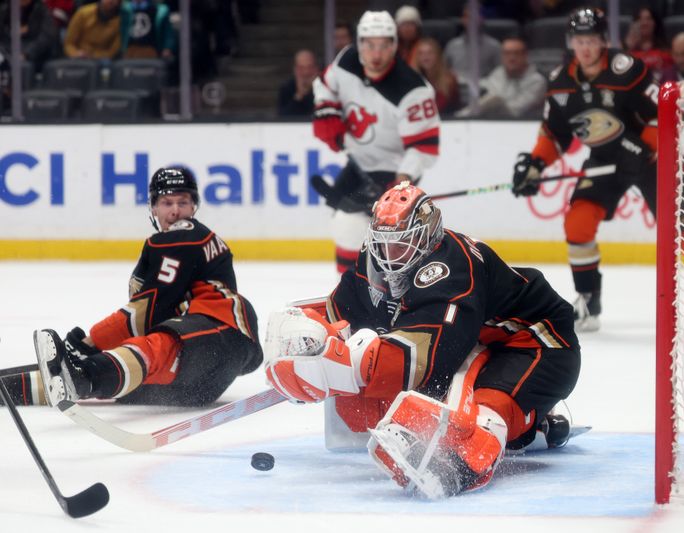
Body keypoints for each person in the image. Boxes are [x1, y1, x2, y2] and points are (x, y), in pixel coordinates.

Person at [263, 182, 581, 499]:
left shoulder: (450, 267)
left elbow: (427, 360)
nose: (389, 257)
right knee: (385, 396)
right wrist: (307, 337)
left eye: (400, 245)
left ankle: (464, 463)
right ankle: (533, 428)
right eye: (383, 245)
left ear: (427, 238)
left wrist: (337, 369)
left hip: (538, 342)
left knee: (484, 410)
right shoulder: (372, 256)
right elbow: (343, 315)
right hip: (478, 342)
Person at [24, 167, 263, 408]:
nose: (176, 210)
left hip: (219, 334)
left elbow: (148, 311)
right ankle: (16, 390)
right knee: (130, 374)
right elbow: (158, 312)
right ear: (153, 207)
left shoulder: (182, 237)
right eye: (167, 202)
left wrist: (89, 344)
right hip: (202, 379)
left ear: (194, 207)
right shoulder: (198, 240)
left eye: (183, 202)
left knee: (150, 349)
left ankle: (85, 378)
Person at [510, 7, 660, 333]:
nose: (586, 47)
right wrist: (536, 165)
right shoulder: (560, 83)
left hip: (653, 162)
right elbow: (555, 135)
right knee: (577, 224)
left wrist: (647, 148)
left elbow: (660, 115)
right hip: (606, 163)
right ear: (571, 43)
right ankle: (588, 302)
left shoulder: (628, 70)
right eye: (580, 41)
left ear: (604, 40)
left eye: (592, 40)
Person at [312, 10, 440, 273]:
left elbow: (424, 147)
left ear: (395, 45)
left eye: (384, 45)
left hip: (394, 171)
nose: (376, 54)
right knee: (345, 226)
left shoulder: (413, 89)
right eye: (370, 45)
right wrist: (327, 111)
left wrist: (401, 182)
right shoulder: (347, 60)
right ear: (359, 44)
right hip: (358, 162)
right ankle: (348, 293)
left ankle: (393, 296)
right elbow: (324, 85)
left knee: (392, 241)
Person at [455, 36, 546, 119]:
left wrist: (493, 102)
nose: (512, 58)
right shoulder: (499, 73)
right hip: (492, 123)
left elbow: (514, 111)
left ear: (525, 55)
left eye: (516, 53)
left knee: (494, 100)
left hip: (525, 126)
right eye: (507, 53)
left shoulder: (537, 81)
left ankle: (460, 118)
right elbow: (484, 84)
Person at [443, 5, 501, 82]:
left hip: (484, 88)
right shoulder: (452, 45)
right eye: (467, 17)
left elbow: (501, 73)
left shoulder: (494, 46)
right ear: (462, 20)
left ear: (481, 18)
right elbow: (443, 71)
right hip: (457, 88)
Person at [0, 0, 58, 72]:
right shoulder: (4, 9)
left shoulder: (41, 9)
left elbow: (47, 36)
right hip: (8, 52)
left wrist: (26, 54)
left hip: (35, 55)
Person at [624, 6, 673, 83]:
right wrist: (628, 47)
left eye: (648, 19)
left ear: (655, 23)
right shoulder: (627, 50)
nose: (644, 23)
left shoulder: (666, 50)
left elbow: (672, 75)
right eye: (640, 19)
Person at [415, 36, 460, 116]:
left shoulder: (449, 80)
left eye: (430, 53)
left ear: (437, 55)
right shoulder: (411, 80)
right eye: (421, 53)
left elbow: (456, 108)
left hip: (447, 122)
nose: (425, 57)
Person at [277, 49, 318, 117]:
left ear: (316, 68)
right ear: (295, 69)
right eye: (301, 68)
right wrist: (299, 96)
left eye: (310, 67)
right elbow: (282, 117)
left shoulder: (325, 86)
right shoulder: (287, 88)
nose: (306, 72)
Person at [395, 5, 422, 70]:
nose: (407, 29)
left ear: (417, 28)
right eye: (404, 24)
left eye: (411, 24)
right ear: (397, 28)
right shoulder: (391, 48)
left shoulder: (423, 47)